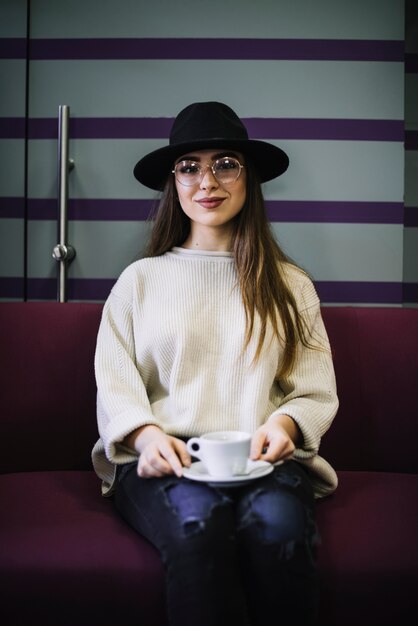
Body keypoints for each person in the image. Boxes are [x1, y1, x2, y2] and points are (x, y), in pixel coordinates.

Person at [92, 101, 339, 626]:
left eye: (226, 163)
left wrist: (284, 423)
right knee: (197, 524)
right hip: (165, 462)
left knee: (277, 527)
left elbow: (314, 389)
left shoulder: (290, 284)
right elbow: (115, 384)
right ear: (173, 183)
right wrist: (145, 438)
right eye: (189, 167)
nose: (208, 181)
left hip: (264, 462)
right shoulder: (139, 280)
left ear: (249, 178)